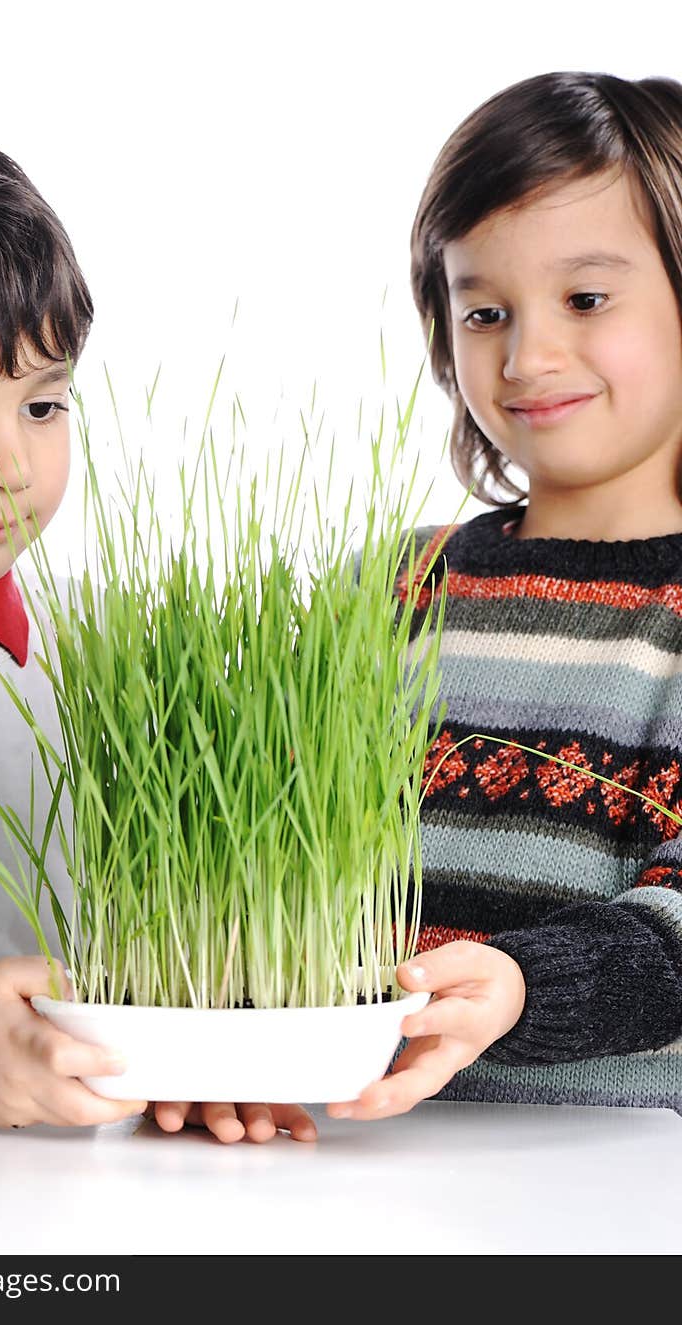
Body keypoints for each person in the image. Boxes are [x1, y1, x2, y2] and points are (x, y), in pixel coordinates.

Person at [0, 118, 316, 1145]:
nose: (9, 466)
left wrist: (203, 1046)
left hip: (100, 1198)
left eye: (44, 404)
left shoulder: (104, 658)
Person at [329, 70, 682, 1122]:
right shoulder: (391, 587)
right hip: (352, 1155)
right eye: (484, 310)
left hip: (611, 1181)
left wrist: (520, 986)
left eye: (585, 299)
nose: (527, 357)